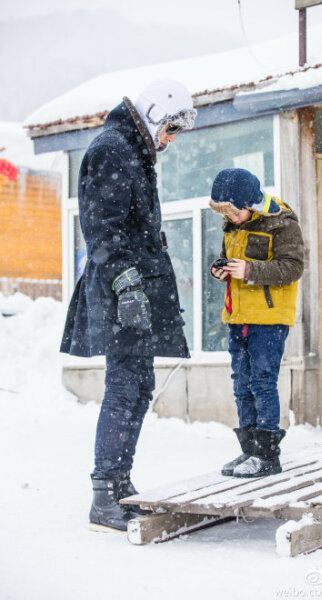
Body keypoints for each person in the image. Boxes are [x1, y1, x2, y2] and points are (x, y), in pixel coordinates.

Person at [60, 78, 197, 531]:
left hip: (136, 286)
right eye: (171, 129)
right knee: (125, 386)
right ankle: (105, 492)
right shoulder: (112, 149)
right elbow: (102, 226)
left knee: (138, 386)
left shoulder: (134, 152)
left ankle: (119, 485)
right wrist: (127, 283)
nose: (172, 141)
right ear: (155, 115)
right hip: (123, 289)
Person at [209, 168, 304, 478]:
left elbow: (292, 267)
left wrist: (250, 271)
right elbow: (230, 259)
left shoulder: (282, 222)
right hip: (238, 315)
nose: (232, 219)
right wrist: (221, 268)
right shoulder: (232, 225)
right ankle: (249, 450)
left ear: (251, 203)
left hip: (269, 317)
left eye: (235, 212)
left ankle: (267, 455)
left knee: (262, 381)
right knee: (241, 383)